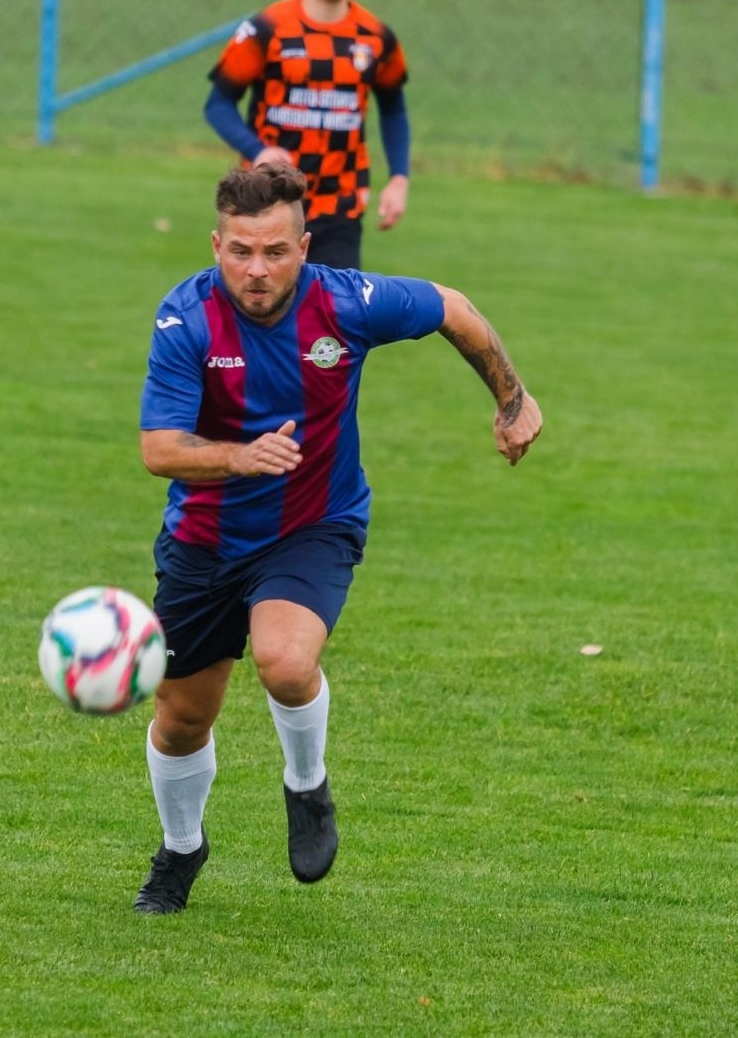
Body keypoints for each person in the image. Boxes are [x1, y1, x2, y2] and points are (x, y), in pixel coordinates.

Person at [132, 164, 542, 914]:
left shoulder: (349, 302)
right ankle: (181, 850)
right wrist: (239, 456)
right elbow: (159, 448)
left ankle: (306, 783)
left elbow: (454, 307)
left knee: (285, 663)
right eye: (242, 252)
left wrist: (512, 399)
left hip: (313, 524)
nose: (257, 270)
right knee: (183, 717)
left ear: (306, 246)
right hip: (204, 539)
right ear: (217, 244)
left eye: (277, 252)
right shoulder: (184, 319)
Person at [205, 0, 411, 270]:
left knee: (337, 312)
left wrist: (399, 178)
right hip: (266, 202)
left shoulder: (376, 37)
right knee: (263, 310)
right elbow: (218, 104)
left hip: (339, 204)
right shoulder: (267, 28)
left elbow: (394, 108)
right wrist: (257, 150)